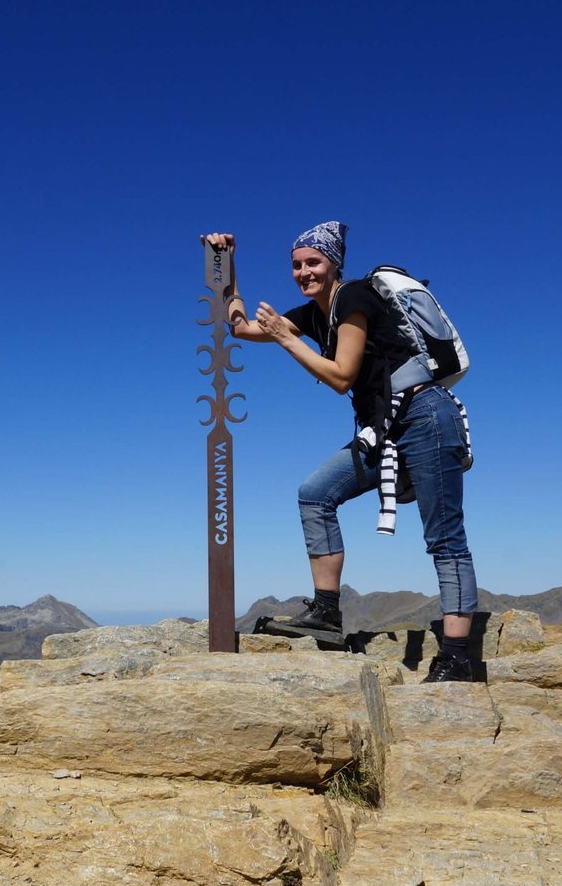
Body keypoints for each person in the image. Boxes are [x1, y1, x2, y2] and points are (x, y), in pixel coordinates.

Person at [205, 221, 481, 682]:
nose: (303, 272)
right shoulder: (315, 314)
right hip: (384, 430)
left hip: (426, 416)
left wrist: (286, 337)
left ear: (333, 264)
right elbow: (242, 330)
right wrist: (226, 268)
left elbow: (341, 377)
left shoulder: (354, 298)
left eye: (312, 262)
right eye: (296, 265)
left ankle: (457, 656)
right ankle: (327, 613)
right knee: (315, 493)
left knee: (444, 537)